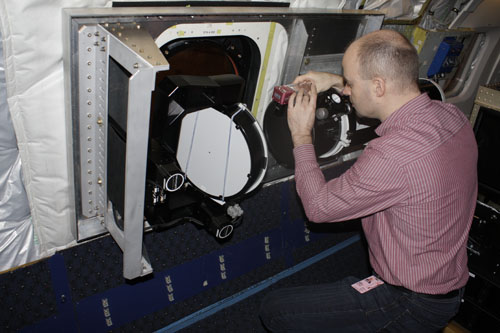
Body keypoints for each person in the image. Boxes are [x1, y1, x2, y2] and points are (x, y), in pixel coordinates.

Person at [259, 30, 477, 332]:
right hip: (448, 288)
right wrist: (334, 80)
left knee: (276, 310)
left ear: (377, 85)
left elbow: (319, 208)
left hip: (410, 303)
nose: (346, 90)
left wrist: (300, 135)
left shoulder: (392, 156)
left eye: (349, 81)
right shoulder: (452, 116)